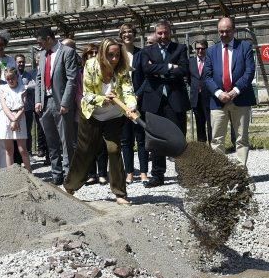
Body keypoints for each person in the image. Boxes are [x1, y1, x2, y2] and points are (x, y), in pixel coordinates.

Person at [64, 38, 137, 205]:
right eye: (110, 55)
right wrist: (102, 99)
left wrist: (131, 106)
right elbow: (87, 94)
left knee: (114, 149)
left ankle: (119, 193)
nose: (114, 59)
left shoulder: (122, 68)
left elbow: (128, 90)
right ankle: (70, 186)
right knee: (85, 150)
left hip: (114, 116)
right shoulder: (90, 65)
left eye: (117, 55)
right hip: (92, 114)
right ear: (103, 54)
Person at [140, 19, 189, 188]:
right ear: (155, 33)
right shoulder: (147, 51)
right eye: (159, 33)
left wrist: (158, 69)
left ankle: (183, 173)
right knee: (156, 139)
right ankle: (157, 175)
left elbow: (183, 70)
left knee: (179, 137)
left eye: (165, 32)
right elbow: (146, 70)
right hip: (155, 101)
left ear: (170, 32)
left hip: (175, 100)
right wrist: (169, 67)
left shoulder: (180, 48)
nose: (162, 36)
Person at [205, 17, 256, 166]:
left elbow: (249, 72)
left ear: (234, 30)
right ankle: (220, 171)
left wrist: (234, 91)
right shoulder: (211, 51)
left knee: (241, 138)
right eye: (220, 31)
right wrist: (219, 93)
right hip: (217, 101)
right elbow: (207, 76)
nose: (223, 34)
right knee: (216, 139)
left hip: (240, 99)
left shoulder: (245, 47)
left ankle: (241, 171)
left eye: (227, 31)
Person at [35, 27, 78, 185]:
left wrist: (66, 102)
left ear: (48, 39)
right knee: (51, 141)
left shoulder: (67, 52)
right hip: (45, 103)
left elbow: (72, 79)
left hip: (61, 102)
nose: (39, 46)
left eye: (40, 42)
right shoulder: (42, 56)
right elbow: (39, 79)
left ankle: (69, 175)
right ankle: (56, 174)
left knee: (66, 141)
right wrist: (38, 100)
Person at [118, 23, 147, 184]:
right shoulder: (117, 54)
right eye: (124, 32)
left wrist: (136, 97)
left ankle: (143, 172)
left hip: (139, 102)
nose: (127, 34)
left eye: (130, 32)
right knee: (126, 140)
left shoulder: (142, 54)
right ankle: (129, 172)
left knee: (141, 138)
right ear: (121, 35)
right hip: (122, 105)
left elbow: (146, 78)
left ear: (134, 35)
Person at [76, 43, 107, 184]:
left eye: (96, 52)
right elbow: (78, 93)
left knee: (101, 144)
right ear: (85, 56)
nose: (93, 55)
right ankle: (91, 173)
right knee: (88, 144)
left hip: (101, 110)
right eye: (90, 53)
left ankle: (102, 173)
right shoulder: (79, 73)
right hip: (85, 111)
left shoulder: (103, 71)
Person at [0, 67, 31, 172]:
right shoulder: (2, 88)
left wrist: (15, 120)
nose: (10, 81)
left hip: (19, 117)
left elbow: (23, 106)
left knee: (22, 149)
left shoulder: (23, 88)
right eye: (8, 79)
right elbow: (4, 106)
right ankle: (11, 174)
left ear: (17, 77)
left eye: (12, 78)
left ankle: (30, 172)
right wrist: (12, 120)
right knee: (9, 149)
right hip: (6, 118)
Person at [188, 38, 212, 143]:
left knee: (211, 123)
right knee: (199, 123)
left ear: (206, 49)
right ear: (195, 50)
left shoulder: (210, 61)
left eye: (202, 48)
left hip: (209, 98)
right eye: (198, 49)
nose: (200, 51)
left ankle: (213, 146)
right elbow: (189, 79)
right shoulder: (191, 62)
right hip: (196, 98)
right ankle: (202, 146)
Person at [14, 54, 36, 161]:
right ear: (15, 63)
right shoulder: (13, 74)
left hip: (27, 108)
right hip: (14, 109)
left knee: (27, 131)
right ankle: (17, 154)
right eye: (19, 62)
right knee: (16, 131)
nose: (21, 64)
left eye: (22, 62)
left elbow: (34, 85)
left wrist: (23, 87)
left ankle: (29, 152)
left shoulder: (29, 75)